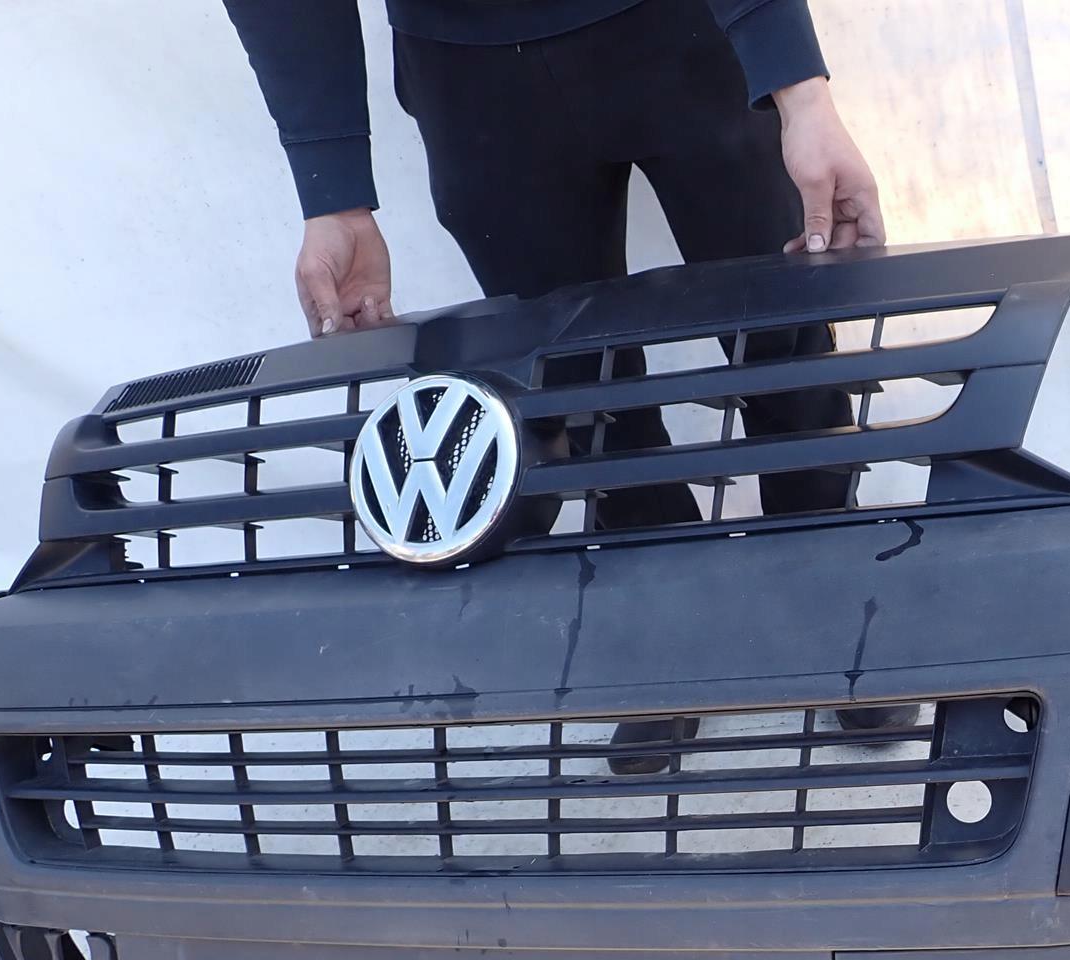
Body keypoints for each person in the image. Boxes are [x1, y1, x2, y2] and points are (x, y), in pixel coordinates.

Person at [223, 0, 911, 765]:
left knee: (783, 326)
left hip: (678, 29)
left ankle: (827, 577)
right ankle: (662, 607)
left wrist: (800, 88)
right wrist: (335, 194)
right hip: (471, 69)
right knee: (575, 381)